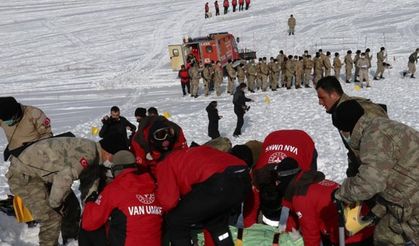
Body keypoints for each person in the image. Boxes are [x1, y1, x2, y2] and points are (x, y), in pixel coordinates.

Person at [3, 136, 121, 246]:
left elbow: (89, 189)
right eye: (115, 159)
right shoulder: (88, 154)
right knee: (51, 217)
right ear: (109, 153)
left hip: (44, 175)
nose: (113, 163)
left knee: (72, 208)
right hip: (23, 174)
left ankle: (70, 241)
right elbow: (64, 179)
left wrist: (91, 211)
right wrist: (55, 204)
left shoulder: (95, 158)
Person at [332, 100, 419, 245]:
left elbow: (370, 183)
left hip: (414, 205)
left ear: (345, 129)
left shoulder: (372, 138)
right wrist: (377, 210)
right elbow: (393, 176)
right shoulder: (379, 125)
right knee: (384, 235)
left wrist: (341, 193)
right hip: (408, 196)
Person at [0, 97, 79, 244]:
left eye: (11, 119)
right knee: (48, 216)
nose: (8, 123)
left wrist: (31, 149)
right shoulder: (3, 115)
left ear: (17, 112)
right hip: (22, 171)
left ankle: (71, 238)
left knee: (71, 204)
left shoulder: (34, 114)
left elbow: (48, 137)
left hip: (43, 163)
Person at [252, 152, 374, 245]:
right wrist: (282, 238)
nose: (276, 184)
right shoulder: (305, 181)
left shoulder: (302, 197)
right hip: (363, 225)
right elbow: (292, 216)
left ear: (285, 180)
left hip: (351, 236)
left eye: (278, 181)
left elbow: (311, 236)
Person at [153, 143, 251, 246]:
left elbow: (169, 202)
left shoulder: (165, 163)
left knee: (176, 220)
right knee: (215, 221)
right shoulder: (194, 152)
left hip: (219, 183)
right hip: (243, 177)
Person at [80, 151, 163, 246]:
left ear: (116, 170)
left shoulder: (114, 189)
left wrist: (90, 203)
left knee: (88, 223)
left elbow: (89, 223)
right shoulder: (153, 185)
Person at [315, 76, 388, 177]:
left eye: (322, 98)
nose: (320, 103)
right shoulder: (341, 111)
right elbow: (353, 149)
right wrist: (352, 176)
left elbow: (383, 153)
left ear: (334, 95)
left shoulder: (361, 112)